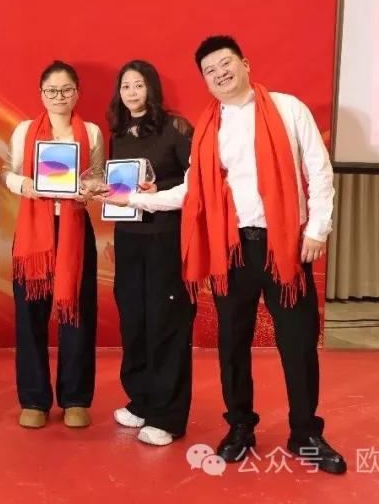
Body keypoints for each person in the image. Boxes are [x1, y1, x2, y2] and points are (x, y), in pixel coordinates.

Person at [111, 35, 345, 474]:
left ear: (245, 64)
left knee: (297, 343)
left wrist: (317, 229)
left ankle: (305, 433)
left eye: (225, 63)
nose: (220, 73)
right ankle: (240, 426)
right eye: (210, 70)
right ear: (204, 80)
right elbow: (192, 191)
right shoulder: (208, 127)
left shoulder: (287, 108)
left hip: (285, 246)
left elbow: (318, 170)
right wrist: (136, 199)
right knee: (232, 344)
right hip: (232, 250)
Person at [5, 61, 104, 429]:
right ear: (41, 94)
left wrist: (88, 189)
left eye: (66, 90)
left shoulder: (91, 132)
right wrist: (24, 185)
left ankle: (75, 398)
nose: (59, 96)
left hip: (75, 230)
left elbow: (97, 175)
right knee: (29, 316)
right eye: (52, 91)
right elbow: (8, 173)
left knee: (78, 313)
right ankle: (34, 399)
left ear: (77, 93)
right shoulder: (25, 131)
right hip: (34, 235)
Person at [103, 60, 195, 447]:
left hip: (165, 239)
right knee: (134, 321)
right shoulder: (118, 134)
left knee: (165, 323)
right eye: (125, 86)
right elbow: (120, 190)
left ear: (152, 89)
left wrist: (157, 193)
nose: (131, 92)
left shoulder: (177, 128)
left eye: (138, 85)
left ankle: (167, 416)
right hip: (129, 239)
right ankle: (141, 401)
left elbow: (195, 183)